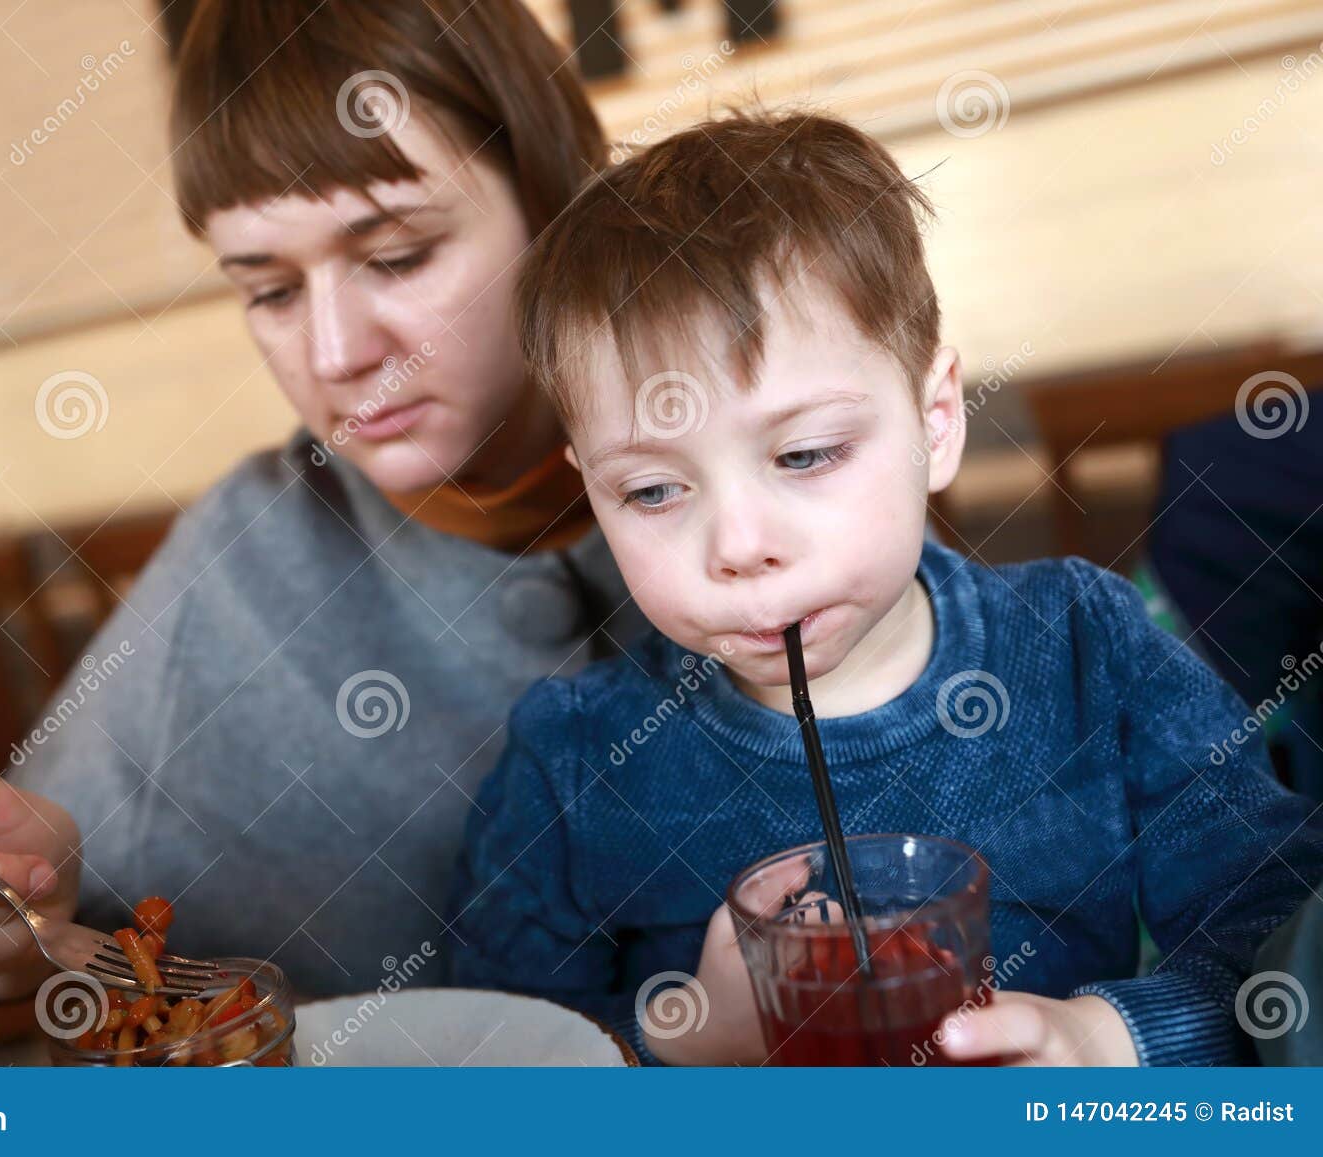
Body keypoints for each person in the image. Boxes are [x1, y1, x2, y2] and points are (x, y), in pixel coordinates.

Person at [0, 0, 647, 1048]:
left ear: (557, 205)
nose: (334, 354)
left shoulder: (762, 462)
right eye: (271, 290)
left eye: (397, 256)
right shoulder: (245, 565)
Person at [445, 109, 1323, 1066]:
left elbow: (1283, 941)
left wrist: (1101, 1040)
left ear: (935, 422)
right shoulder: (573, 760)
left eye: (806, 453)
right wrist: (683, 1039)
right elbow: (475, 1057)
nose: (739, 546)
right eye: (652, 490)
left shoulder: (1087, 646)